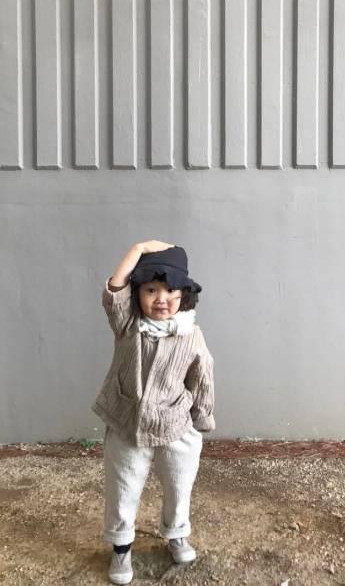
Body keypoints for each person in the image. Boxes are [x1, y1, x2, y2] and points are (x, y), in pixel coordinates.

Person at [92, 241, 215, 585]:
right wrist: (138, 248)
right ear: (138, 293)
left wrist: (201, 418)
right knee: (123, 487)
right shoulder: (127, 324)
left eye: (171, 290)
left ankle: (176, 533)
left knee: (179, 484)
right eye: (151, 290)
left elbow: (203, 375)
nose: (162, 298)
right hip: (127, 424)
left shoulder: (191, 335)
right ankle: (121, 547)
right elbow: (114, 289)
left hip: (175, 424)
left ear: (184, 294)